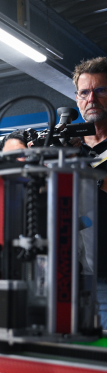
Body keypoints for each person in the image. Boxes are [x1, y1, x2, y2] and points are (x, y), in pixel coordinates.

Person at [72, 57, 107, 329]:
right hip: (68, 278)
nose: (91, 98)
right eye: (85, 92)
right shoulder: (63, 150)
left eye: (101, 90)